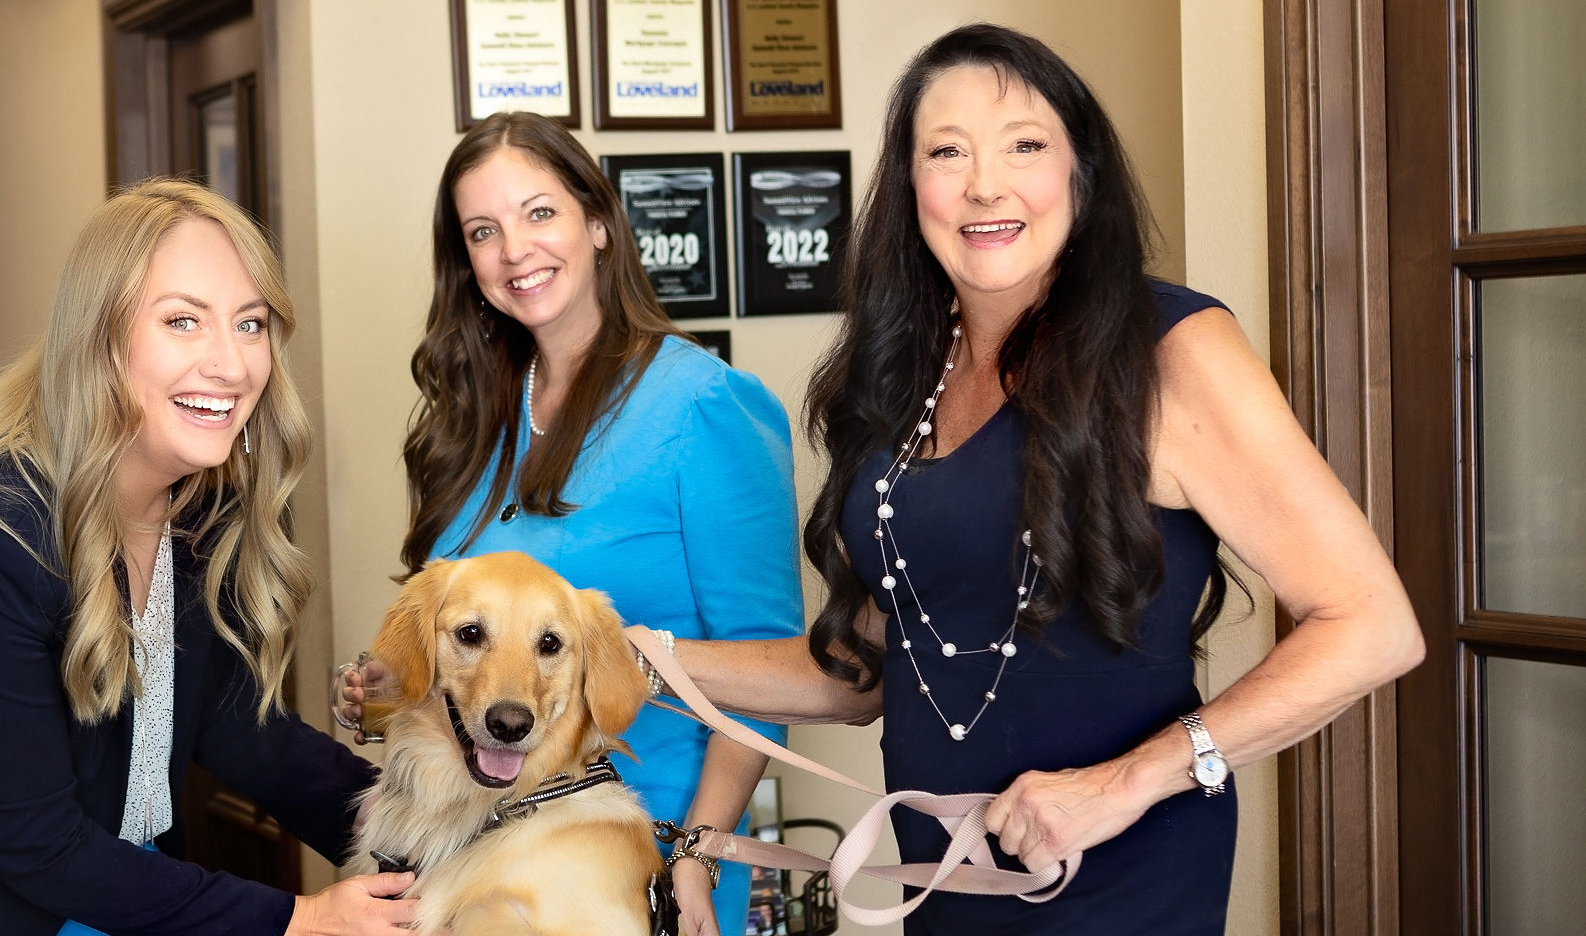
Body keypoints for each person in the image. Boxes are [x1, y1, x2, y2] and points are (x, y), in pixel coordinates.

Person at [649, 24, 1423, 934]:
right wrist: (629, 661)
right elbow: (872, 670)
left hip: (1120, 891)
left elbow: (1371, 625)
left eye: (1024, 145)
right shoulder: (897, 376)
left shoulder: (1171, 352)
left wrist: (1125, 783)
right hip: (945, 893)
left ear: (1079, 173)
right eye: (947, 152)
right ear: (909, 186)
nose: (985, 184)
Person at [0, 179, 416, 936]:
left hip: (94, 886)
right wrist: (297, 919)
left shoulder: (195, 502)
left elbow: (244, 731)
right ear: (99, 338)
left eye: (250, 324)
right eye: (183, 321)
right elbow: (36, 842)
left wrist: (432, 831)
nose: (233, 364)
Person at [382, 111, 806, 936]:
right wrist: (381, 684)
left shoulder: (707, 405)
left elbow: (775, 671)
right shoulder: (472, 417)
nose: (515, 250)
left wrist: (700, 853)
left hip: (636, 860)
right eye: (483, 231)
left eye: (540, 213)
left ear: (600, 223)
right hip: (466, 855)